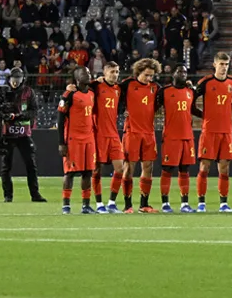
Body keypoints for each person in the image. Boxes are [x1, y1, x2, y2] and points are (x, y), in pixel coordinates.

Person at [193, 52, 232, 212]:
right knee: (204, 167)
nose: (224, 67)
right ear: (215, 65)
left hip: (226, 131)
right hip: (209, 131)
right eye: (221, 64)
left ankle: (223, 204)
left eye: (226, 64)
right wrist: (202, 115)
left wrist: (231, 107)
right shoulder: (205, 82)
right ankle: (201, 203)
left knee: (224, 168)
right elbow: (190, 99)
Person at [0, 67, 44, 203]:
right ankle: (8, 195)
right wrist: (3, 115)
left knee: (31, 165)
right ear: (9, 79)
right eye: (13, 79)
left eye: (18, 79)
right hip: (7, 134)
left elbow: (34, 111)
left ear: (22, 79)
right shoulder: (2, 91)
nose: (15, 82)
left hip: (24, 134)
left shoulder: (28, 92)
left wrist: (17, 116)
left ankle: (35, 194)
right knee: (6, 166)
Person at [119, 59, 161, 213]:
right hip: (132, 132)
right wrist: (122, 109)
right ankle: (127, 205)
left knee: (148, 167)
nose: (149, 79)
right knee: (129, 167)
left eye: (151, 76)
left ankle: (144, 204)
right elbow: (111, 92)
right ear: (138, 72)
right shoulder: (127, 84)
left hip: (148, 132)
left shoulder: (156, 88)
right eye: (146, 75)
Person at [58, 66, 96, 214]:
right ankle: (66, 205)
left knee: (88, 172)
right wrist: (62, 142)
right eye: (84, 73)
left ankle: (86, 206)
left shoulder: (92, 93)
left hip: (89, 138)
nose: (88, 74)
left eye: (89, 72)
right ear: (77, 78)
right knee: (70, 172)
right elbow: (60, 119)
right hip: (73, 139)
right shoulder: (69, 95)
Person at [88, 62, 125, 213]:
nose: (115, 75)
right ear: (104, 73)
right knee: (97, 170)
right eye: (111, 72)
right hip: (98, 135)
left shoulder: (118, 89)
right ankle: (98, 204)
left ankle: (111, 203)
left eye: (117, 72)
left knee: (120, 168)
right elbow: (82, 86)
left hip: (114, 134)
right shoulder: (96, 86)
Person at [159, 67, 197, 213]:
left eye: (185, 72)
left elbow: (192, 109)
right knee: (167, 169)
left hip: (187, 136)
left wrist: (206, 115)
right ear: (173, 74)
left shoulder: (190, 91)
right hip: (171, 137)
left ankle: (184, 204)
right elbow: (153, 107)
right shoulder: (164, 91)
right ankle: (165, 203)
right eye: (180, 72)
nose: (183, 74)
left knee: (185, 170)